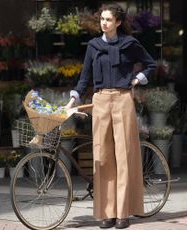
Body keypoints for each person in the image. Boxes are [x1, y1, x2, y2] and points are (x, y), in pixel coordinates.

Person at [65, 2, 157, 229]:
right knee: (104, 157)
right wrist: (73, 99)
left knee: (124, 155)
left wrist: (137, 79)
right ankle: (107, 213)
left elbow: (150, 65)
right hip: (101, 100)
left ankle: (123, 213)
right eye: (101, 20)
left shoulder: (130, 44)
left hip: (124, 99)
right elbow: (84, 76)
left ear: (117, 22)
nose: (103, 23)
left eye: (108, 20)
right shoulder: (94, 46)